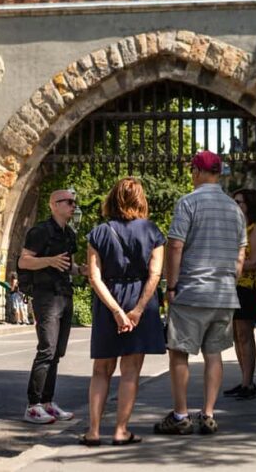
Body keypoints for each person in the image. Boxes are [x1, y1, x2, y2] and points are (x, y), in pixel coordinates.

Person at [154, 151, 247, 436]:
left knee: (179, 353)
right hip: (223, 294)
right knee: (214, 354)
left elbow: (176, 245)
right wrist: (230, 280)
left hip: (192, 292)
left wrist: (171, 285)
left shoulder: (188, 202)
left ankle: (181, 415)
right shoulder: (234, 209)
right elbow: (241, 254)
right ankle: (208, 414)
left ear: (196, 171)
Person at [81, 177, 166, 446]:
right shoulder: (153, 231)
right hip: (141, 299)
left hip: (109, 301)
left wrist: (117, 311)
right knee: (130, 371)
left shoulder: (99, 232)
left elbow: (94, 277)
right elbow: (155, 274)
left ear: (112, 199)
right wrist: (138, 309)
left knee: (101, 370)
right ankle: (121, 431)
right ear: (141, 200)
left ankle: (93, 431)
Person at [19, 189, 88, 424]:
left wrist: (81, 271)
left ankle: (48, 402)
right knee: (47, 349)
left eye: (73, 202)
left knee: (57, 352)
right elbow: (24, 260)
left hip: (64, 294)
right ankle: (33, 404)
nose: (72, 206)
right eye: (68, 202)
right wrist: (49, 260)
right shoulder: (40, 231)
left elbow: (69, 264)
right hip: (45, 295)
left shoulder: (69, 233)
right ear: (54, 205)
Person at [223, 188, 256, 401]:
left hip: (248, 287)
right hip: (233, 286)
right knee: (236, 335)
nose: (235, 205)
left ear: (250, 204)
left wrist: (230, 265)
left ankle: (248, 383)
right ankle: (244, 381)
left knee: (244, 334)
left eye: (238, 202)